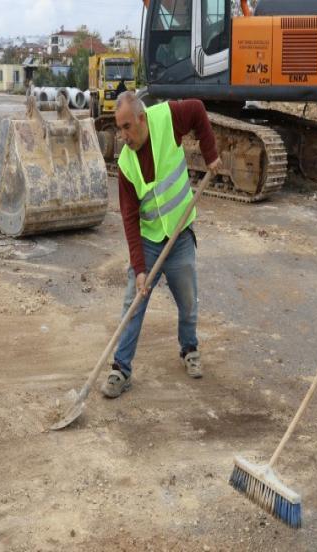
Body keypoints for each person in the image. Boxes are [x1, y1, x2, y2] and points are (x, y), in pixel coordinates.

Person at [101, 91, 220, 398]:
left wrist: (211, 154)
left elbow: (198, 107)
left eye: (127, 127)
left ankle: (189, 349)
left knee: (188, 300)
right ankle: (121, 369)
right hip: (149, 241)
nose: (123, 135)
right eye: (120, 128)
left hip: (180, 236)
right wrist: (139, 268)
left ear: (141, 119)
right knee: (133, 303)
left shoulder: (167, 117)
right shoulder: (126, 164)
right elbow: (129, 219)